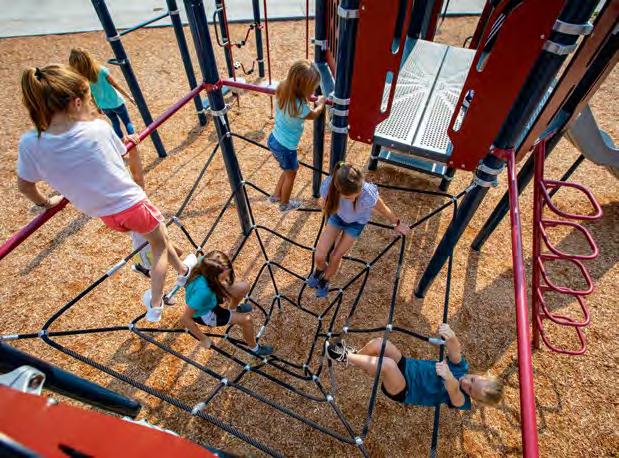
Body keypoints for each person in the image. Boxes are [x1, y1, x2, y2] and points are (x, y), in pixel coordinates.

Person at [16, 64, 193, 323]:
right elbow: (120, 158)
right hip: (132, 205)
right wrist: (131, 145)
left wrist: (47, 202)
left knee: (160, 237)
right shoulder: (97, 128)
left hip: (107, 216)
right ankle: (155, 304)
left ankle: (184, 270)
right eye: (90, 100)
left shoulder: (30, 144)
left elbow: (25, 185)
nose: (92, 105)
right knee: (159, 246)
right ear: (77, 102)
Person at [325, 324, 504, 409]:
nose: (466, 383)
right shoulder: (461, 368)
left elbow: (454, 390)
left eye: (471, 390)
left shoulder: (462, 401)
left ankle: (343, 357)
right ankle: (354, 357)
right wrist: (451, 336)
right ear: (478, 374)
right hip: (407, 366)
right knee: (380, 344)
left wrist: (449, 377)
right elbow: (455, 352)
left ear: (474, 398)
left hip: (404, 389)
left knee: (387, 365)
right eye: (472, 380)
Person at [307, 162, 410, 297]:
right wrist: (324, 202)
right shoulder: (329, 186)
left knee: (335, 256)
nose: (354, 199)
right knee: (320, 254)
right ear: (338, 190)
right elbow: (322, 201)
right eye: (349, 197)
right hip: (337, 217)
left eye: (357, 194)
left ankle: (325, 280)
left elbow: (383, 208)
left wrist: (396, 223)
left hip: (356, 224)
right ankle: (320, 270)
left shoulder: (367, 193)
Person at [69, 48, 144, 188]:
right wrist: (129, 96)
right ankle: (132, 140)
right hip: (117, 102)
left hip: (104, 105)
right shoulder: (102, 70)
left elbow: (90, 96)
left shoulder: (84, 79)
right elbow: (116, 85)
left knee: (115, 122)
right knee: (127, 121)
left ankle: (122, 145)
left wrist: (97, 106)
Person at [181, 251, 273, 356]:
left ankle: (232, 309)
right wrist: (203, 338)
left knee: (244, 287)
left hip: (211, 294)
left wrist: (221, 284)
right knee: (247, 320)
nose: (225, 279)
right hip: (206, 314)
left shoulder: (205, 262)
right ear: (213, 276)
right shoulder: (203, 292)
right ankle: (254, 349)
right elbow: (185, 319)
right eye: (222, 278)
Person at [268, 60, 326, 213]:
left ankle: (276, 195)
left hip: (274, 139)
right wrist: (321, 103)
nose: (313, 91)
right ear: (302, 88)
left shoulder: (282, 87)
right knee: (291, 174)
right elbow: (313, 115)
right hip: (286, 147)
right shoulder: (299, 106)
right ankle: (284, 204)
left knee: (288, 169)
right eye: (311, 89)